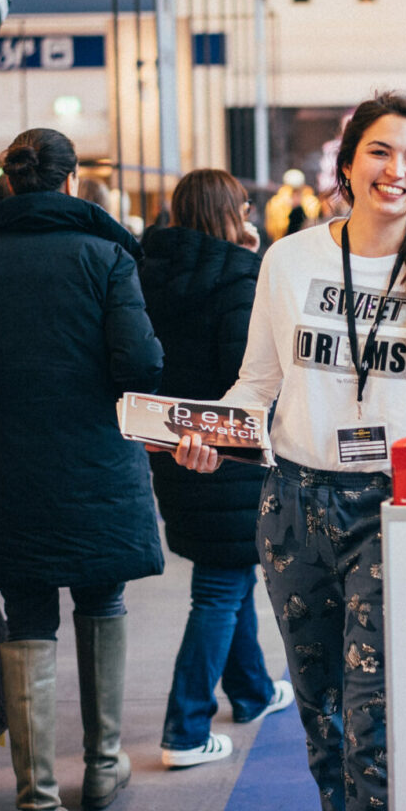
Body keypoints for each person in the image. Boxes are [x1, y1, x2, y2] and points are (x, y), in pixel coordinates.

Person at [175, 91, 406, 811]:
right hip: (294, 505)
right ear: (347, 164)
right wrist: (212, 435)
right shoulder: (289, 260)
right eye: (380, 152)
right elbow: (257, 383)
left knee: (374, 717)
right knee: (321, 715)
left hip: (398, 507)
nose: (396, 171)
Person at [0, 128, 165, 811]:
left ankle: (36, 805)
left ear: (9, 184)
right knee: (104, 595)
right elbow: (139, 368)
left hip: (5, 476)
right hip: (95, 468)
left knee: (27, 614)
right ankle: (102, 766)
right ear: (71, 183)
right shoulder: (107, 256)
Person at [139, 169, 293, 770]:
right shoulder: (240, 277)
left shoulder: (146, 274)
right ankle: (184, 728)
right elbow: (248, 373)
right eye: (246, 205)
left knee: (226, 572)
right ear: (230, 212)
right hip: (231, 452)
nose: (253, 213)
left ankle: (252, 692)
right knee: (220, 588)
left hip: (174, 450)